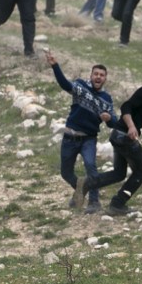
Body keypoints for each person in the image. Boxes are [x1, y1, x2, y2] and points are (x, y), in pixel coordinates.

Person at [74, 63, 142, 215]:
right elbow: (126, 106)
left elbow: (139, 109)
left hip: (118, 135)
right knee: (141, 172)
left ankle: (86, 183)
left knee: (119, 173)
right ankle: (117, 204)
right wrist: (132, 127)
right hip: (125, 137)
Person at [45, 51, 116, 214]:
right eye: (96, 74)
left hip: (88, 139)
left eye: (102, 75)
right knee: (65, 173)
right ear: (91, 75)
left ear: (105, 79)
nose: (98, 77)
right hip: (70, 137)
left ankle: (94, 201)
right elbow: (65, 84)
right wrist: (55, 66)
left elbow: (113, 121)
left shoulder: (107, 99)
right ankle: (81, 190)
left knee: (91, 166)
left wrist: (108, 118)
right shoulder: (80, 86)